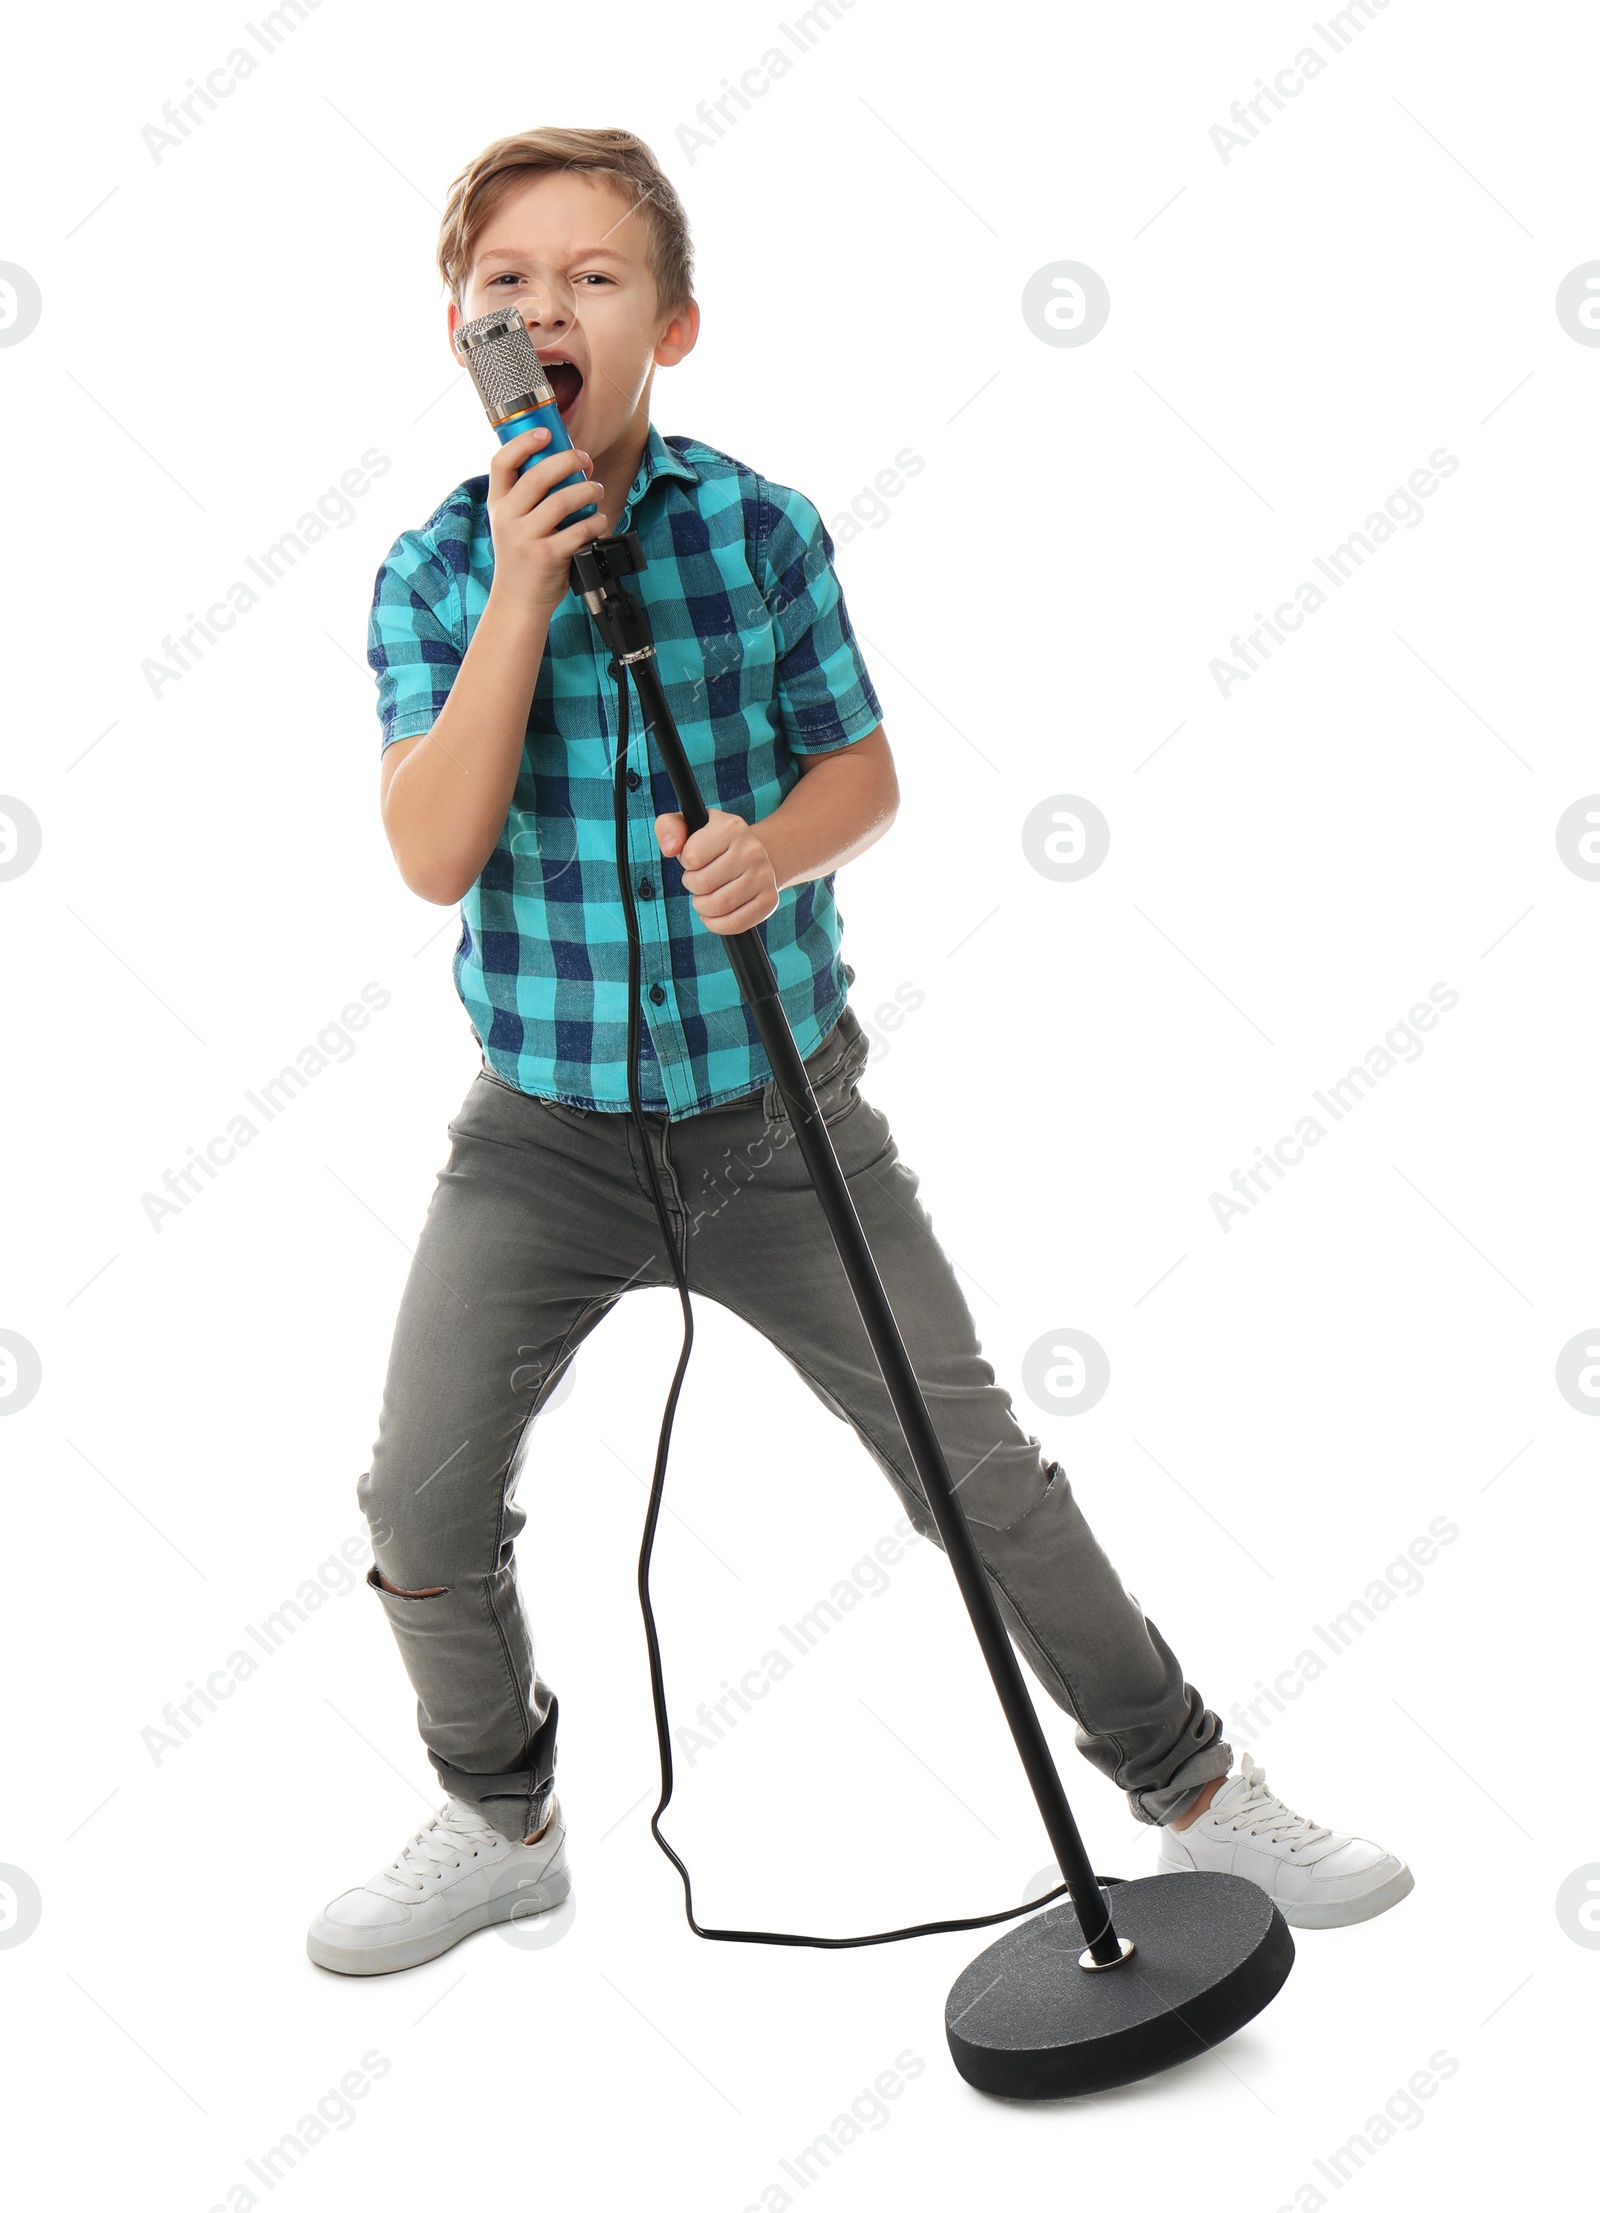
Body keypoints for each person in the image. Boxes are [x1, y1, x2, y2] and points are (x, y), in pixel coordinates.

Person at [307, 126, 1410, 1976]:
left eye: (595, 279)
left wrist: (774, 845)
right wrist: (520, 588)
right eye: (511, 283)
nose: (547, 306)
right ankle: (499, 1816)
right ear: (458, 331)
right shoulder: (431, 574)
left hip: (775, 1115)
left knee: (971, 1469)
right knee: (417, 1489)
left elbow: (864, 774)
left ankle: (1201, 1790)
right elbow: (432, 850)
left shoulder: (760, 529)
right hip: (543, 1138)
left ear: (674, 326)